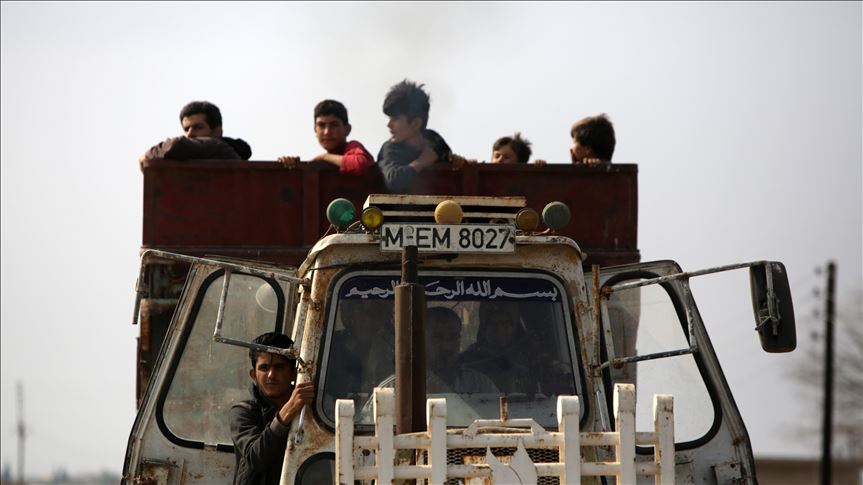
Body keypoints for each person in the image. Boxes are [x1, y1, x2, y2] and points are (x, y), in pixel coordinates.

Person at [229, 332, 314, 485]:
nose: (271, 375)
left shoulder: (313, 410)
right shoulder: (243, 412)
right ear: (254, 375)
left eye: (279, 367)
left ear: (293, 373)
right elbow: (256, 458)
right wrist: (288, 411)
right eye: (264, 367)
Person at [376, 79, 472, 193]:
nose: (389, 125)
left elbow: (449, 159)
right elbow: (394, 180)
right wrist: (422, 161)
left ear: (416, 123)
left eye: (395, 119)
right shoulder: (390, 149)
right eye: (389, 118)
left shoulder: (434, 140)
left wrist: (459, 162)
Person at [277, 99, 375, 175]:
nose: (327, 132)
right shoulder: (323, 162)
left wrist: (324, 157)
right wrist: (290, 165)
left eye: (334, 125)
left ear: (347, 129)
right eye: (321, 125)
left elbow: (359, 164)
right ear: (315, 130)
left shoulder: (352, 147)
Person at [139, 101, 252, 165]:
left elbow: (175, 146)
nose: (190, 134)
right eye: (186, 129)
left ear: (216, 131)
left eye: (198, 127)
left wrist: (147, 155)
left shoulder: (217, 146)